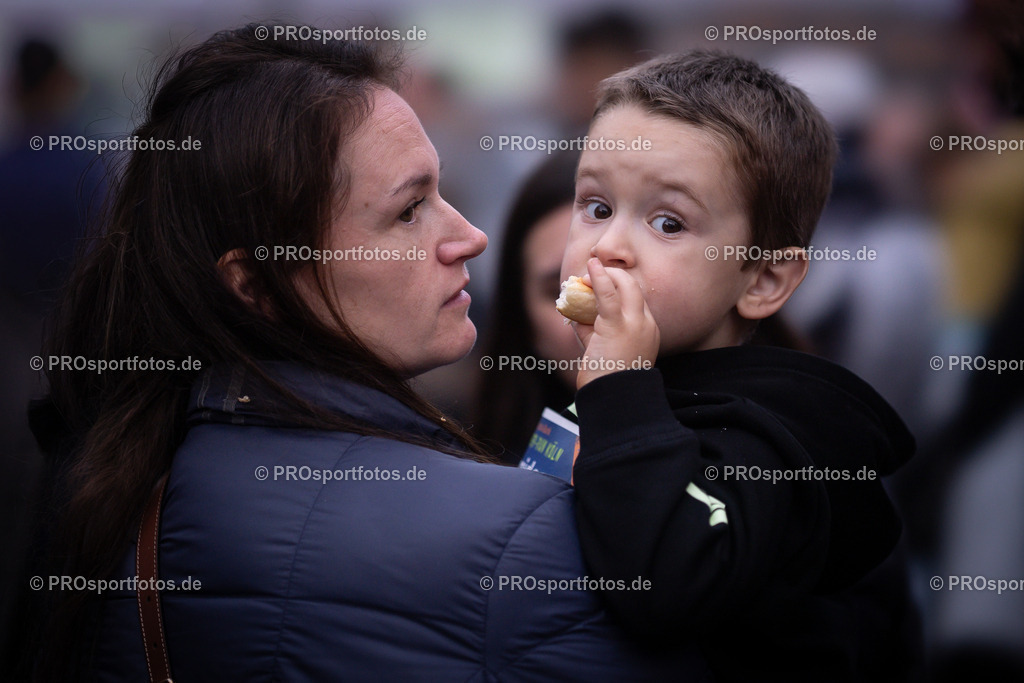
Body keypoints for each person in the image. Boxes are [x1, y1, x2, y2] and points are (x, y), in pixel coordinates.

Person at [20, 26, 709, 682]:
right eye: (408, 211)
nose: (468, 237)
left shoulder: (98, 480)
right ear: (255, 284)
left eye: (442, 192)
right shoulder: (506, 535)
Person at [560, 52, 919, 681]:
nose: (607, 247)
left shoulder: (772, 441)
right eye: (595, 206)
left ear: (762, 278)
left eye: (668, 222)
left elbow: (661, 586)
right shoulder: (613, 391)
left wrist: (618, 390)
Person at [471, 151, 580, 461]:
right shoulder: (488, 472)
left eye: (613, 278)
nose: (596, 318)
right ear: (524, 324)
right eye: (560, 292)